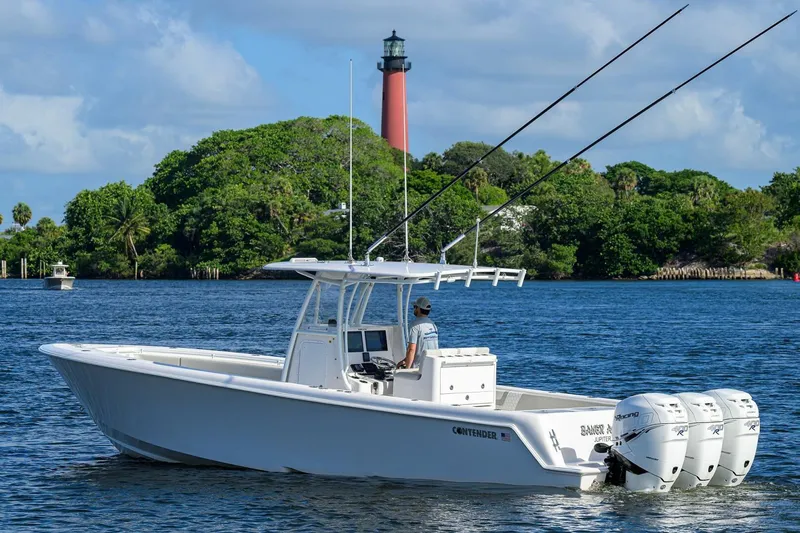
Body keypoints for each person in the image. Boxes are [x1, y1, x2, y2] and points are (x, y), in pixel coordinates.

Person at [397, 296, 439, 369]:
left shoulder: (415, 326)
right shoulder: (433, 325)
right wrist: (405, 360)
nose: (414, 309)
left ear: (418, 309)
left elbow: (411, 350)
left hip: (419, 368)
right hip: (432, 366)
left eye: (414, 307)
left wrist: (407, 370)